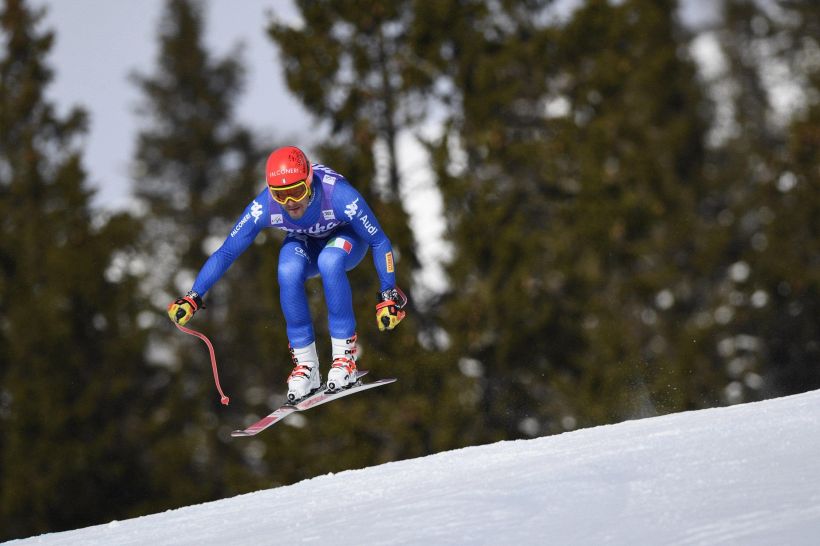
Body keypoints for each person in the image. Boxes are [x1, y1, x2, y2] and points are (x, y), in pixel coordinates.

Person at [167, 146, 407, 402]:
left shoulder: (338, 195)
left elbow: (380, 242)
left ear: (309, 182)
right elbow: (227, 252)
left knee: (330, 260)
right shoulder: (264, 206)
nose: (290, 202)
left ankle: (344, 360)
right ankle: (307, 367)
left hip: (346, 239)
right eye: (281, 195)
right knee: (287, 270)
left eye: (297, 192)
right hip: (306, 241)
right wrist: (194, 296)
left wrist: (388, 294)